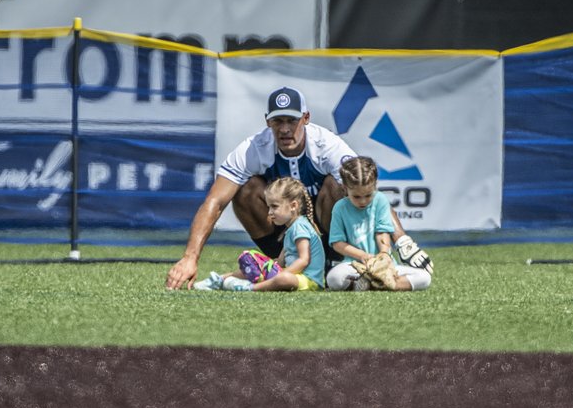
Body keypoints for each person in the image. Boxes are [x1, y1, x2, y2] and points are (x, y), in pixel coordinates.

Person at [165, 86, 431, 290]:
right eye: (277, 121)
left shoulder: (326, 145)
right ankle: (277, 264)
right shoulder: (253, 149)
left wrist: (402, 240)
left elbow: (368, 191)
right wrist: (190, 258)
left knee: (336, 185)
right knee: (244, 190)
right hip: (285, 241)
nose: (285, 129)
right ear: (267, 121)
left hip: (332, 237)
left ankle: (332, 261)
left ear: (306, 118)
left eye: (291, 120)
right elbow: (215, 201)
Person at [194, 177, 325, 292]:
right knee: (258, 267)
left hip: (308, 280)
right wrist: (264, 265)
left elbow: (303, 260)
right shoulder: (291, 228)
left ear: (293, 206)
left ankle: (251, 288)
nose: (269, 212)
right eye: (269, 207)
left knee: (284, 278)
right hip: (295, 275)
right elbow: (281, 260)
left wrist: (281, 273)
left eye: (274, 206)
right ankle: (219, 280)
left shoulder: (300, 227)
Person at [326, 156, 432, 291]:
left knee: (424, 277)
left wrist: (383, 255)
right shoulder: (339, 207)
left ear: (375, 185)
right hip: (354, 266)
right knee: (333, 278)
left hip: (384, 266)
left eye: (368, 195)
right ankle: (367, 283)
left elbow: (382, 233)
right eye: (357, 196)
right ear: (345, 188)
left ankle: (386, 282)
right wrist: (363, 256)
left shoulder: (380, 200)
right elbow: (338, 244)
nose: (363, 201)